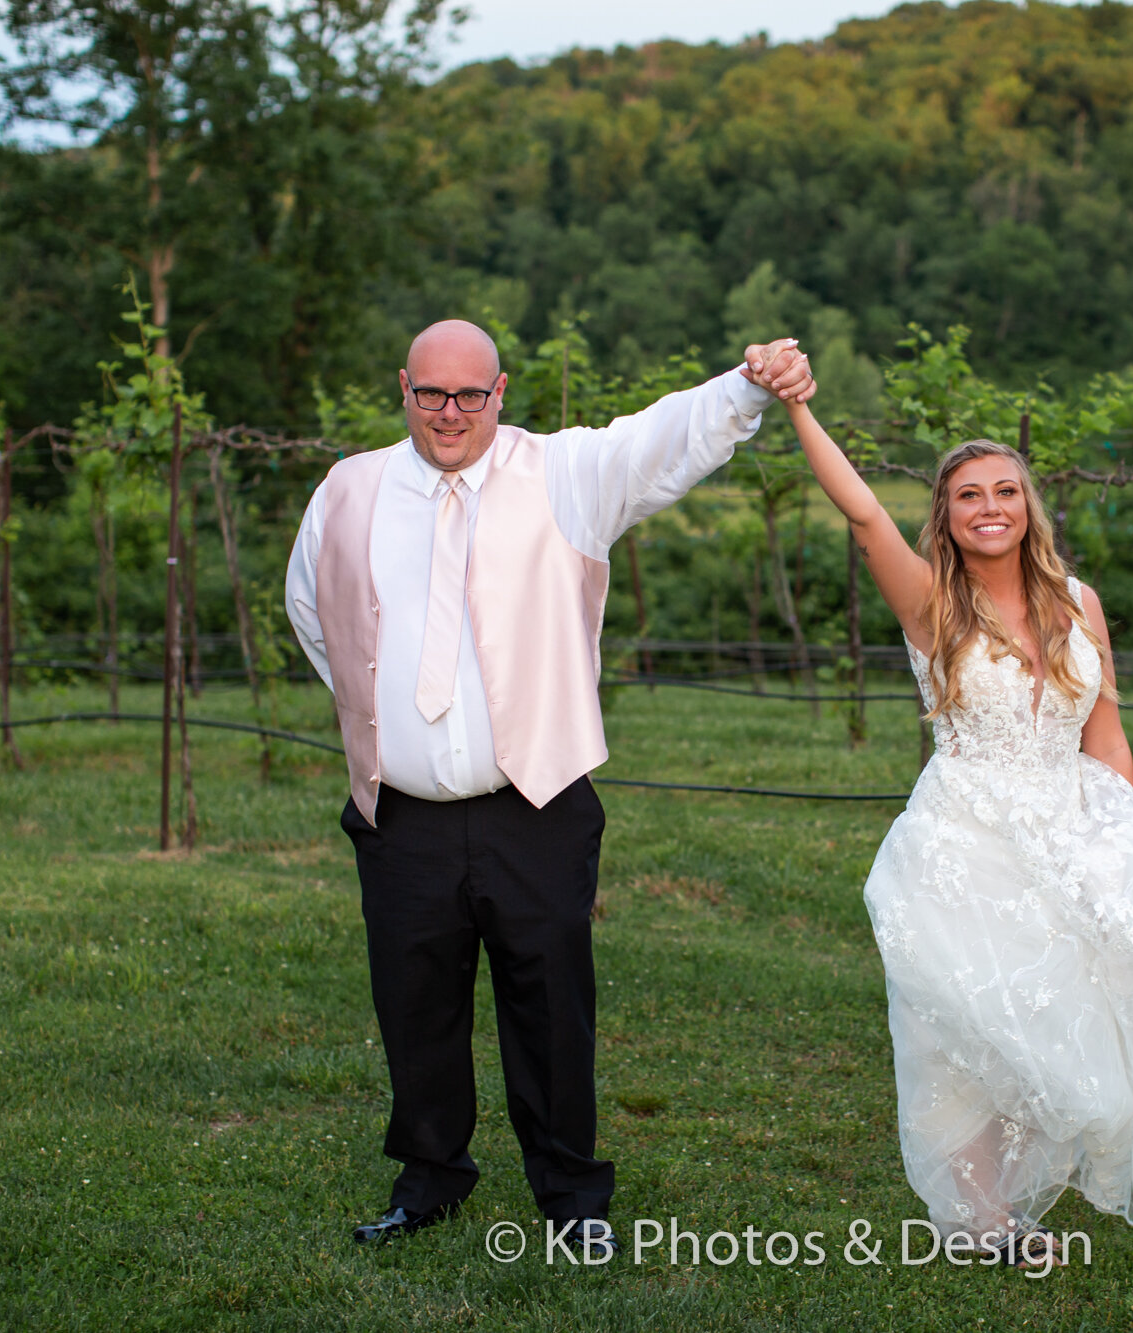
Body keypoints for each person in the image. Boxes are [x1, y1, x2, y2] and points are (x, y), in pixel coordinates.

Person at [286, 320, 813, 1251]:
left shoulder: (564, 474)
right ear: (402, 387)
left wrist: (748, 385)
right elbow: (314, 614)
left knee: (551, 1008)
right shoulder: (348, 490)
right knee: (415, 1006)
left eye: (471, 395)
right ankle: (429, 1178)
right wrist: (389, 722)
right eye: (431, 394)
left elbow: (664, 436)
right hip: (400, 814)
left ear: (501, 392)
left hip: (535, 806)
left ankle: (572, 1199)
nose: (450, 414)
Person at [783, 399, 1133, 1274]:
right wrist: (799, 407)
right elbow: (863, 510)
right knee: (973, 1029)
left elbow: (1106, 738)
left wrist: (1132, 853)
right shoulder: (929, 600)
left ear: (1028, 505)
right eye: (967, 495)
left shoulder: (1079, 603)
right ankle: (985, 1222)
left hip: (1073, 823)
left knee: (1089, 1004)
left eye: (1005, 490)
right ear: (946, 515)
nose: (989, 506)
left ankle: (1023, 1195)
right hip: (966, 836)